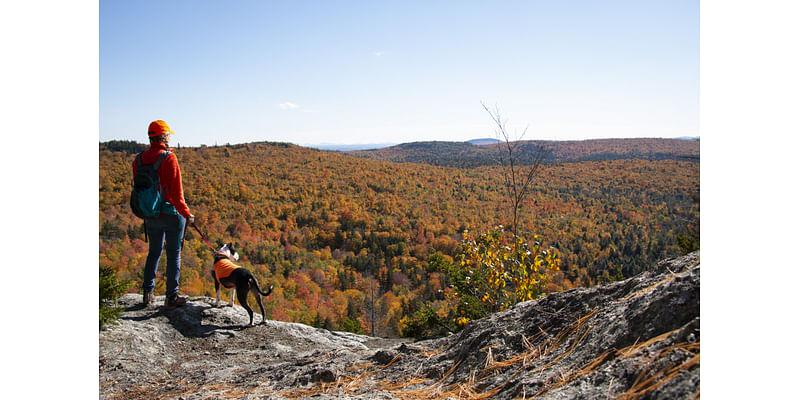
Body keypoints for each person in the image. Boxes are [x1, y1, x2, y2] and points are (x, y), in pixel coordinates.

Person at [132, 120, 195, 308]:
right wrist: (188, 215)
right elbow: (177, 194)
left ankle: (147, 293)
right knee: (174, 253)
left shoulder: (139, 159)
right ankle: (171, 297)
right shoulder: (169, 158)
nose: (170, 138)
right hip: (171, 214)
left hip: (150, 214)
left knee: (153, 252)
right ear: (163, 137)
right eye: (168, 135)